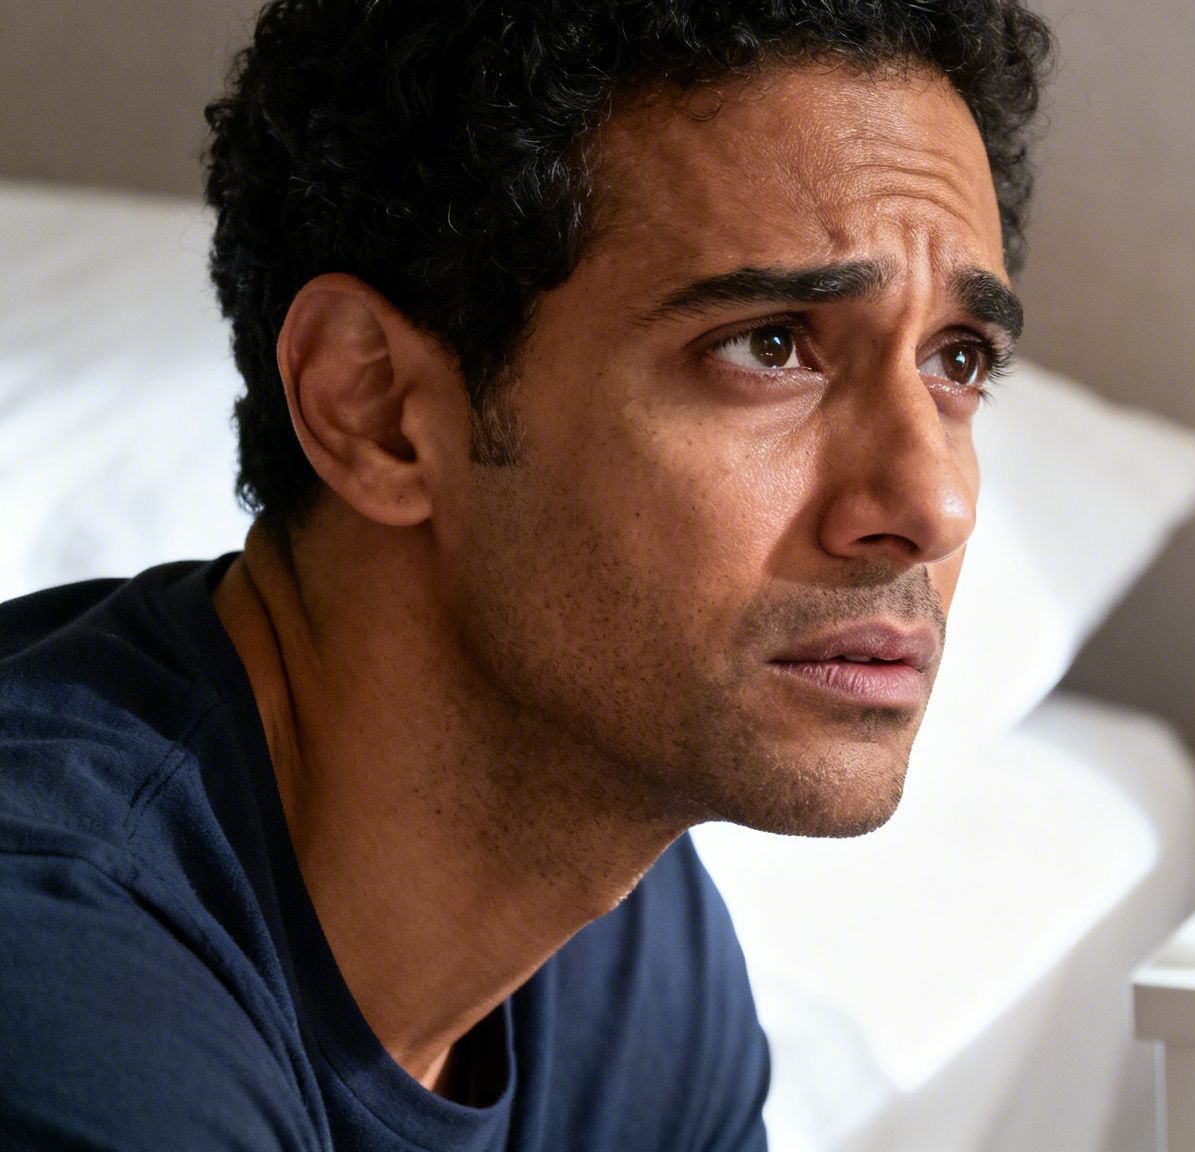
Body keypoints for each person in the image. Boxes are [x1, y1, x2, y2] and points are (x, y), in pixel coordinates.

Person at [0, 2, 1052, 1147]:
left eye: (957, 362)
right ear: (379, 409)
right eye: (770, 345)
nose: (931, 505)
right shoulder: (63, 980)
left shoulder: (629, 950)